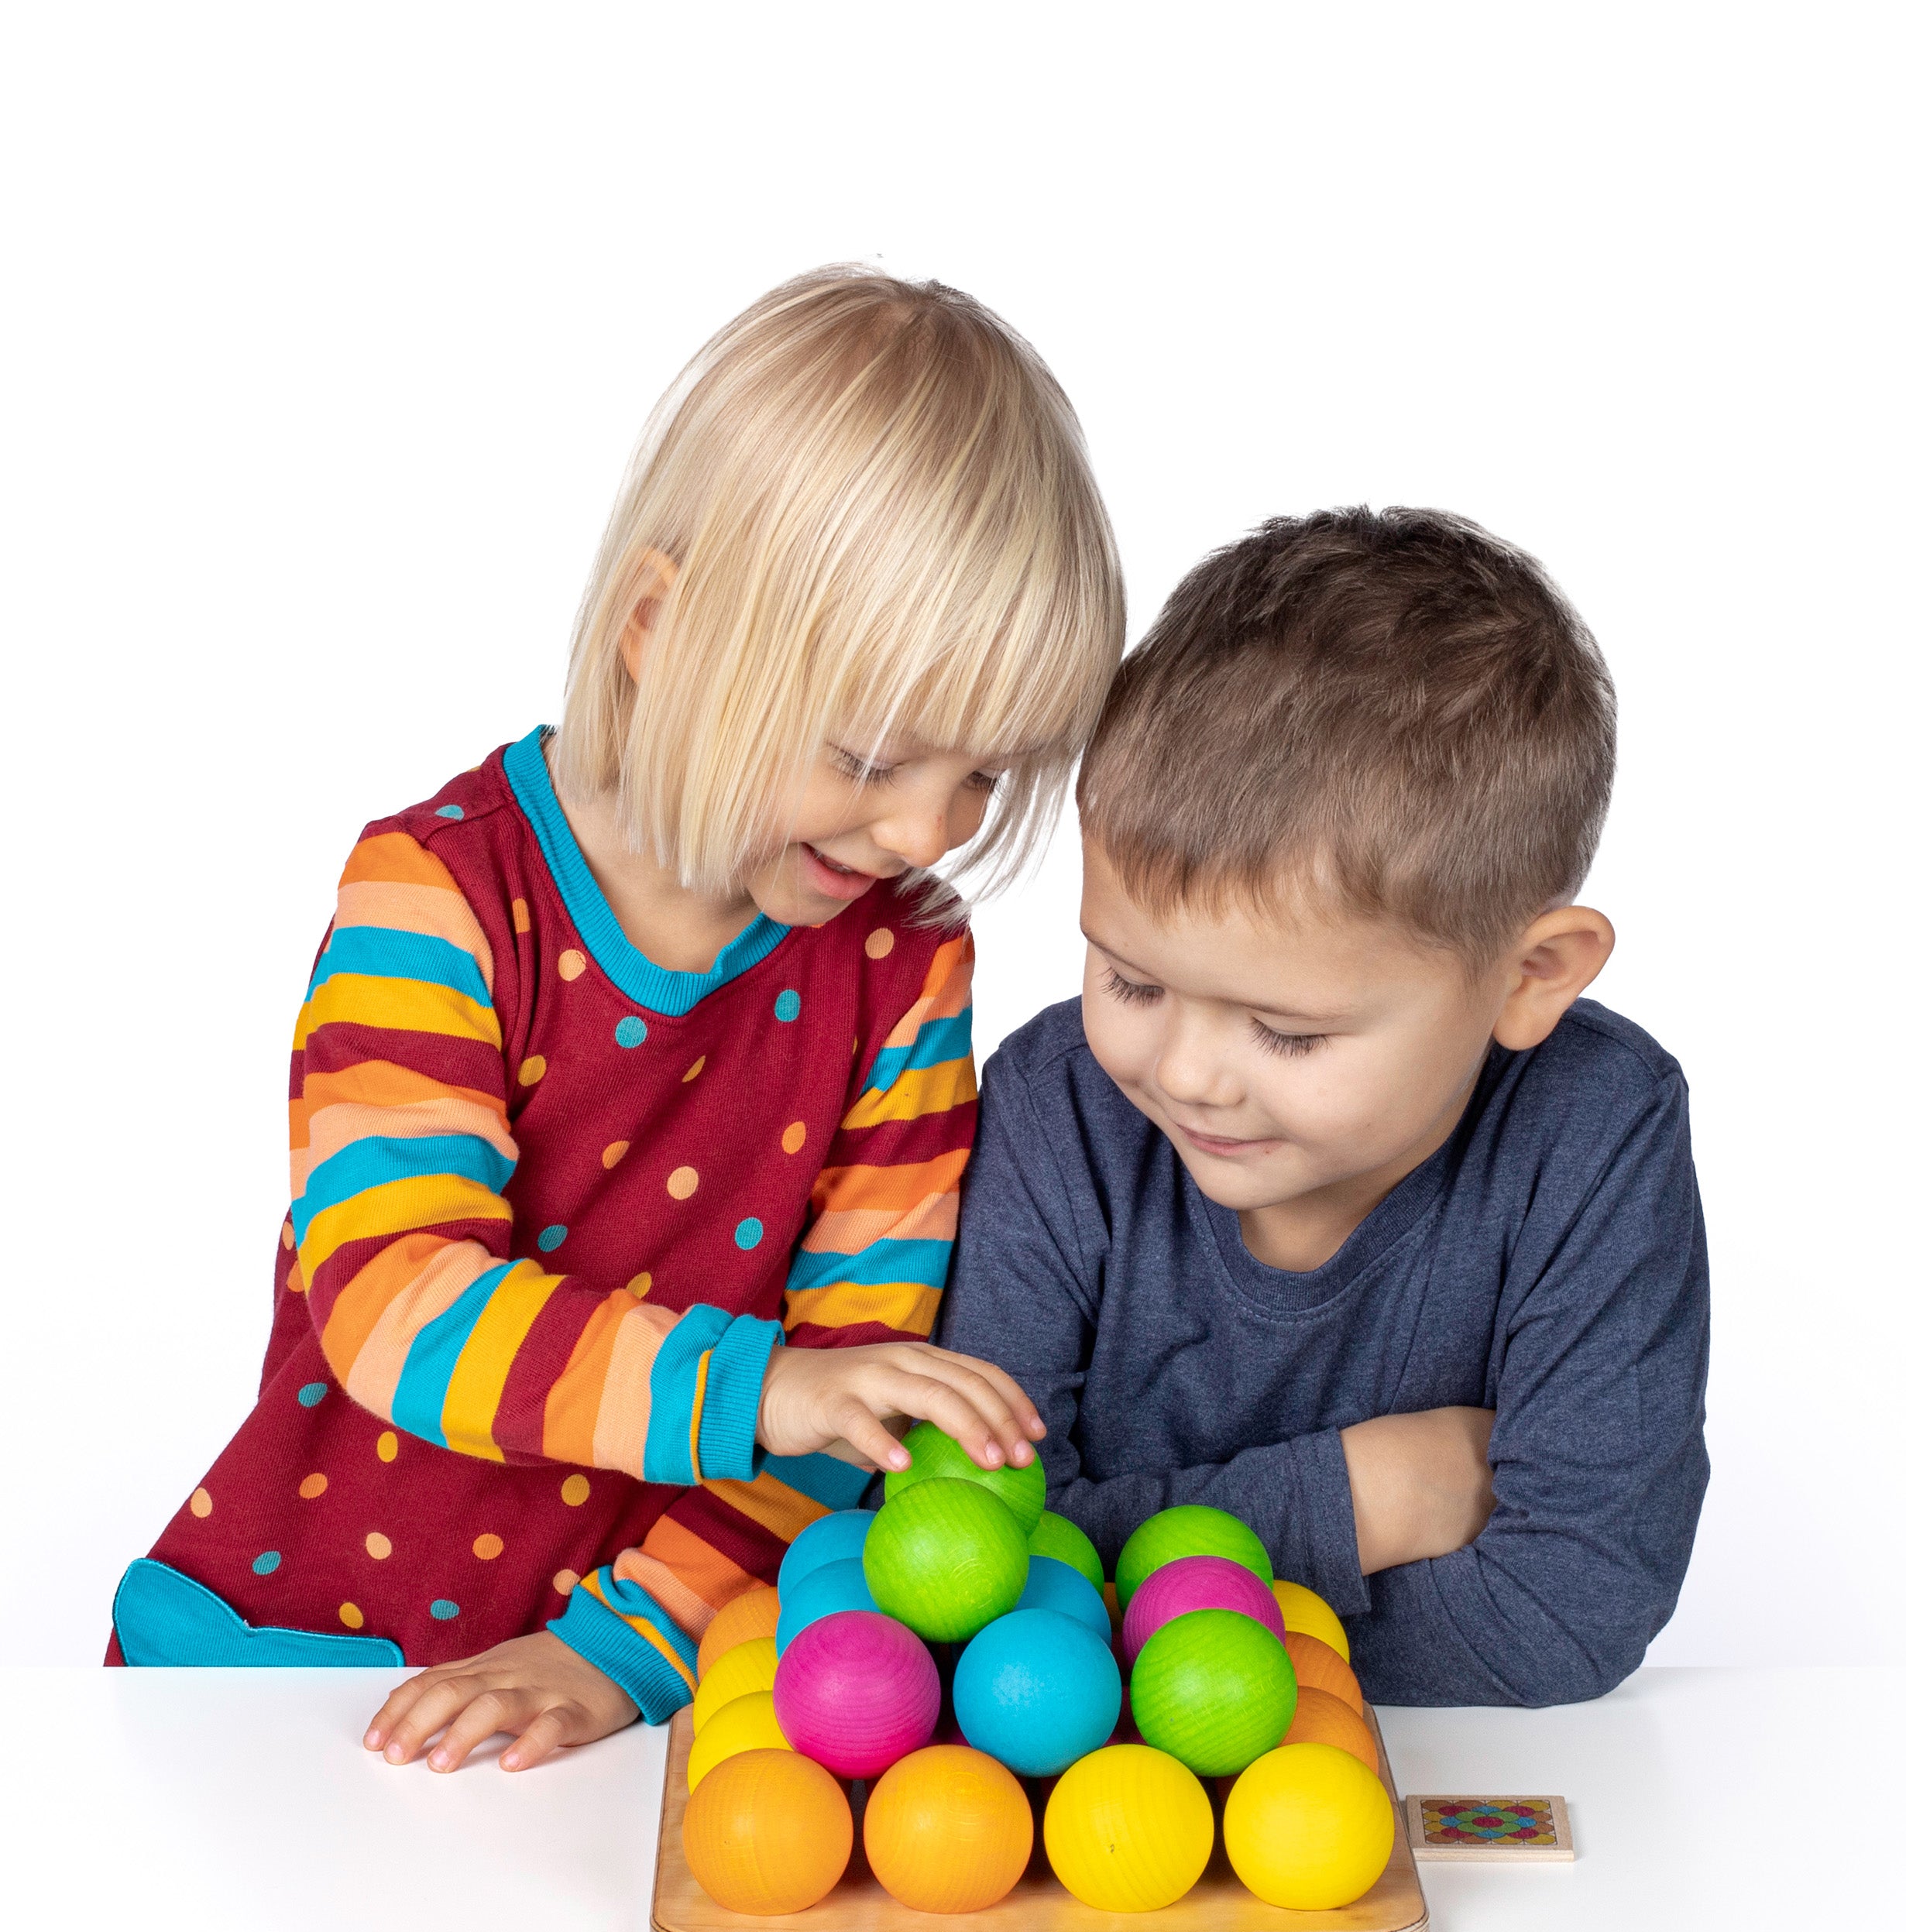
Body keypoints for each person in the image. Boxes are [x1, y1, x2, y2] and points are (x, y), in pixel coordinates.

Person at [114, 266, 1124, 1772]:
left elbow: (862, 1382)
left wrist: (626, 1648)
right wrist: (771, 1384)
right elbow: (394, 1301)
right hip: (307, 1656)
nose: (925, 829)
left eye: (983, 774)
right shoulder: (444, 894)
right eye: (869, 756)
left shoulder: (902, 958)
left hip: (639, 1688)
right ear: (661, 625)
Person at [939, 508, 1709, 1705]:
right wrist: (1360, 1498)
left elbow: (1568, 1609)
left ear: (1528, 976)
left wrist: (1122, 1617)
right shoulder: (1059, 1111)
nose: (1187, 1072)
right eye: (1130, 978)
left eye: (1286, 1031)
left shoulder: (1594, 1129)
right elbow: (959, 1577)